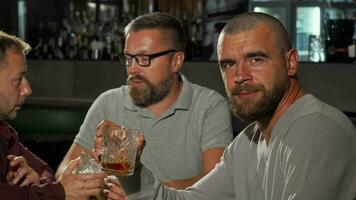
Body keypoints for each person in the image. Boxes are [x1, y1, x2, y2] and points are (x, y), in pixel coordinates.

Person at [104, 12, 356, 200]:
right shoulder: (247, 142)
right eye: (228, 64)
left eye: (256, 59)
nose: (240, 76)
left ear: (290, 63)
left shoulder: (317, 131)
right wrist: (129, 166)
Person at [56, 12, 233, 198]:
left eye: (144, 58)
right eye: (128, 58)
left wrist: (138, 191)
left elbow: (218, 185)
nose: (132, 68)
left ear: (176, 61)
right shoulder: (109, 103)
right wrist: (99, 187)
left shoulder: (210, 106)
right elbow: (65, 176)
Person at [0, 31, 105, 200]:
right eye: (18, 80)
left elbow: (44, 170)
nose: (27, 90)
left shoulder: (5, 131)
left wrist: (39, 186)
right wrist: (57, 192)